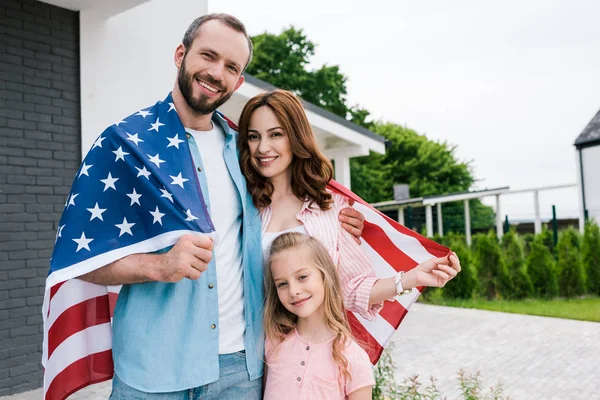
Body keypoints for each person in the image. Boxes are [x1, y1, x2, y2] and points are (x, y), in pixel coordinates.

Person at [44, 13, 365, 400]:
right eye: (208, 56)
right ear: (181, 53)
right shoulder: (125, 144)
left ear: (239, 81)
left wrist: (337, 217)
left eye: (231, 66)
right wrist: (159, 265)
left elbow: (289, 193)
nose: (216, 72)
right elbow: (78, 258)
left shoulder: (245, 151)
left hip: (241, 369)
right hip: (153, 370)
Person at [237, 89, 462, 322]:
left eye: (275, 134)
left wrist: (411, 278)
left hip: (311, 348)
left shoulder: (332, 208)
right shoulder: (239, 205)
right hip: (245, 347)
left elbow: (350, 289)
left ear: (295, 137)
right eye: (254, 137)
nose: (262, 147)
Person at [263, 232, 375, 400]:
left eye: (302, 277)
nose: (294, 291)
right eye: (283, 284)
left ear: (325, 275)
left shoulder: (351, 357)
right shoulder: (274, 342)